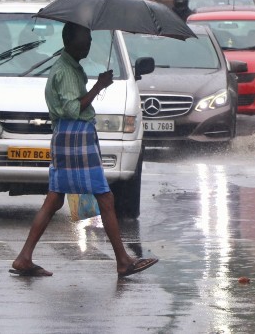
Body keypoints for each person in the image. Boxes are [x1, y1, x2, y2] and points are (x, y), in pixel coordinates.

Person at [11, 22, 159, 278]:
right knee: (105, 197)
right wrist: (98, 86)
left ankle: (24, 257)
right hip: (75, 136)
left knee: (55, 199)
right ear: (72, 41)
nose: (90, 43)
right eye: (86, 39)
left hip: (66, 136)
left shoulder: (69, 67)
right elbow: (72, 109)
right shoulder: (66, 71)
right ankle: (123, 260)